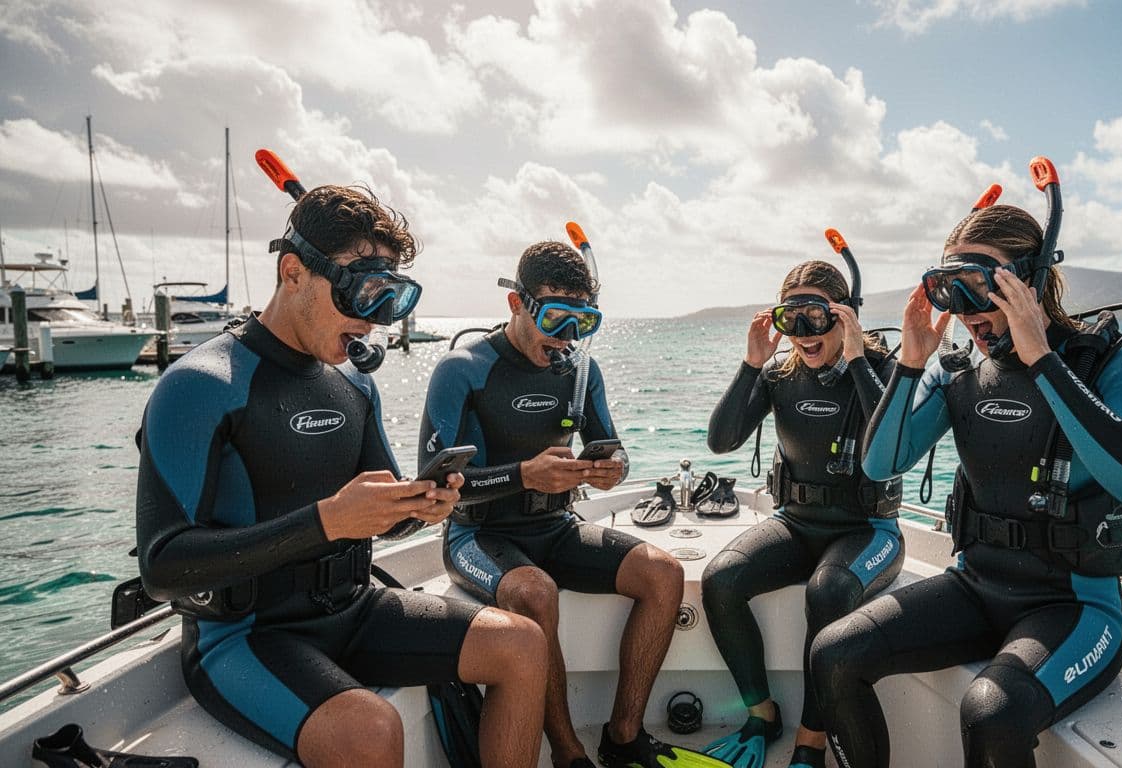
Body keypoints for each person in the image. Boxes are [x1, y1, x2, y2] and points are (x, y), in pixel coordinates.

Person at [136, 185, 548, 768]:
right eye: (359, 293)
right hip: (245, 638)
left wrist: (419, 506)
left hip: (353, 607)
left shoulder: (354, 384)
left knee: (522, 645)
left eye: (389, 300)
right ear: (293, 272)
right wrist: (327, 521)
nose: (371, 322)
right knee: (369, 729)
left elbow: (384, 515)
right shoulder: (201, 385)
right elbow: (161, 568)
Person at [809, 204, 1122, 768]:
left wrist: (1044, 361)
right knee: (834, 652)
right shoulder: (956, 373)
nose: (967, 311)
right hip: (975, 588)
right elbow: (882, 464)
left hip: (1075, 609)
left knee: (990, 710)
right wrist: (910, 363)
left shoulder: (1108, 369)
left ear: (1030, 280)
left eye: (981, 286)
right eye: (951, 290)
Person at [420, 241, 717, 768]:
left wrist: (611, 470)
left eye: (585, 321)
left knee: (663, 573)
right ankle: (568, 753)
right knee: (536, 593)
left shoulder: (580, 371)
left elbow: (613, 447)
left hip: (556, 526)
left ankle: (623, 737)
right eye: (558, 316)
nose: (568, 336)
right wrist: (524, 474)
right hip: (480, 536)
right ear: (518, 304)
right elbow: (439, 486)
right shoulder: (462, 369)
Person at [702, 261, 906, 768]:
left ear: (844, 316)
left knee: (829, 591)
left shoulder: (881, 370)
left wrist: (858, 361)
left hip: (867, 530)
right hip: (796, 523)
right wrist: (751, 364)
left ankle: (810, 742)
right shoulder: (779, 374)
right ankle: (762, 714)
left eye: (816, 316)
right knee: (721, 579)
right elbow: (721, 440)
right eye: (790, 318)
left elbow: (896, 446)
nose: (804, 333)